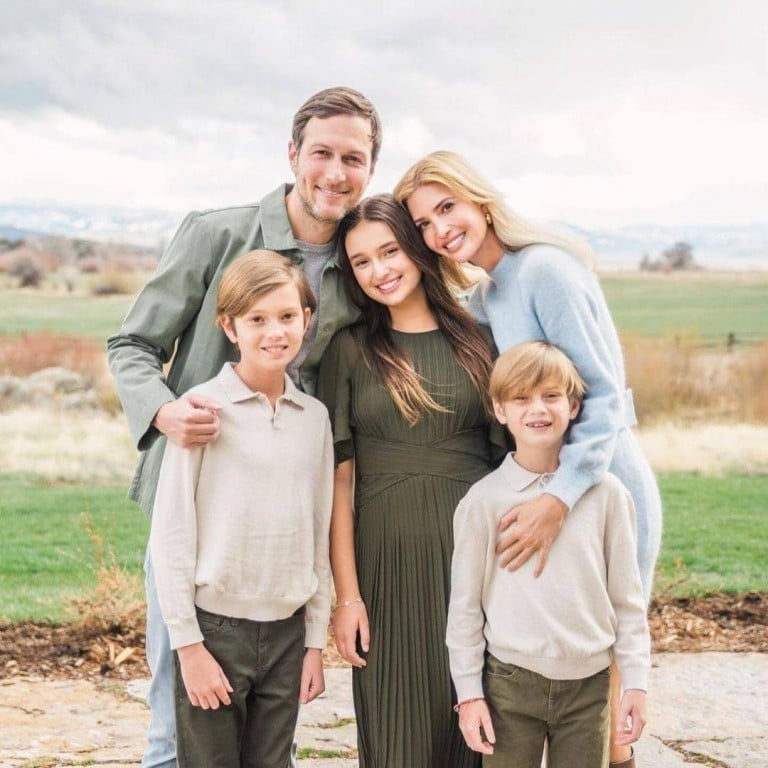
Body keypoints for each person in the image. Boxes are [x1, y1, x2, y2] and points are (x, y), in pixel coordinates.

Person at [107, 86, 380, 768]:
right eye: (322, 153)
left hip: (287, 527)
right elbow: (131, 346)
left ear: (372, 169)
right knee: (179, 718)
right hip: (202, 513)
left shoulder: (366, 263)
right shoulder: (216, 234)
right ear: (293, 155)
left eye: (354, 158)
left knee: (268, 737)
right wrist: (165, 411)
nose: (335, 173)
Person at [395, 151, 661, 766]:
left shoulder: (545, 271)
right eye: (426, 225)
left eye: (447, 208)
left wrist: (557, 499)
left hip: (599, 482)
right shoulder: (496, 291)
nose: (441, 230)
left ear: (478, 200)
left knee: (608, 695)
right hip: (551, 485)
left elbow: (601, 400)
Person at [317, 194, 504, 768]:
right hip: (385, 570)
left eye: (389, 250)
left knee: (477, 734)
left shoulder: (481, 341)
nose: (379, 271)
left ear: (417, 246)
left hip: (476, 566)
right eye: (361, 262)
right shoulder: (349, 351)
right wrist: (346, 598)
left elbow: (509, 469)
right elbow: (339, 486)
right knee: (399, 738)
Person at [150, 251, 333, 767]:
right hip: (216, 634)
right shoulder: (202, 410)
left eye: (287, 317)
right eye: (257, 319)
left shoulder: (313, 419)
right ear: (229, 326)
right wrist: (188, 646)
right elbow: (171, 535)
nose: (274, 332)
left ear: (306, 320)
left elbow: (318, 531)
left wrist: (314, 642)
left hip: (287, 632)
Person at [447, 340, 650, 768]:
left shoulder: (608, 495)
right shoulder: (482, 502)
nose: (537, 409)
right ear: (500, 410)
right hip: (509, 684)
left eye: (551, 396)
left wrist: (635, 682)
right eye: (520, 398)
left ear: (574, 406)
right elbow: (464, 609)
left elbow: (628, 602)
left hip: (589, 687)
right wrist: (469, 695)